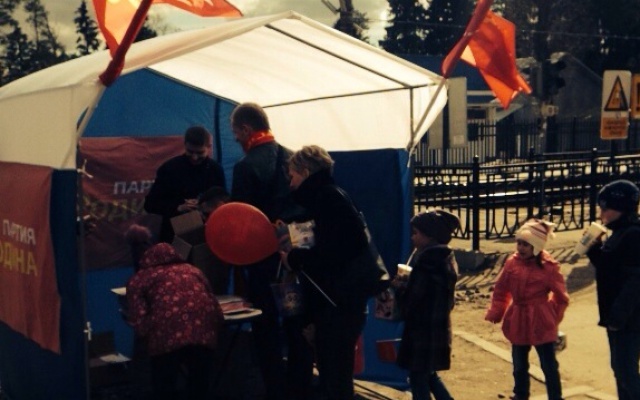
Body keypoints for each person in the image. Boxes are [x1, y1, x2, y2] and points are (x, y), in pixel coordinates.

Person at [229, 102, 306, 400]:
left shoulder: (245, 167)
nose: (235, 138)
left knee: (265, 327)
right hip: (296, 259)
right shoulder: (294, 158)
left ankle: (275, 390)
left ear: (246, 129)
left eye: (236, 133)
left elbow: (241, 221)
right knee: (296, 323)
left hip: (262, 262)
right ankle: (299, 390)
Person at [281, 145, 369, 400]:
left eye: (292, 176)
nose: (290, 184)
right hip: (340, 300)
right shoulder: (332, 195)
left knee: (335, 375)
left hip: (337, 302)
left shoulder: (328, 200)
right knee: (334, 373)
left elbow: (334, 252)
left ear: (305, 172)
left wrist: (294, 258)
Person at [126, 242, 223, 400]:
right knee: (199, 383)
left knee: (164, 384)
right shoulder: (193, 270)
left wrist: (146, 336)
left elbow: (139, 318)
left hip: (166, 335)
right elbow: (213, 303)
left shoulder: (140, 279)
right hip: (203, 332)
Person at [485, 218, 569, 400]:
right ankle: (521, 394)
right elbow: (501, 289)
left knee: (548, 364)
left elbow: (561, 297)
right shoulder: (512, 263)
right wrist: (497, 311)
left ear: (537, 247)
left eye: (526, 244)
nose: (521, 248)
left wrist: (552, 317)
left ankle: (555, 396)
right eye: (519, 243)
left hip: (540, 318)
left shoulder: (549, 267)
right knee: (519, 363)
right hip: (518, 317)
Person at [391, 210, 460, 400]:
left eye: (416, 233)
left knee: (418, 378)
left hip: (421, 331)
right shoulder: (447, 259)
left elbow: (412, 300)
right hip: (438, 328)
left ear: (430, 235)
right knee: (429, 375)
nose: (412, 237)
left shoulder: (426, 264)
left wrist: (399, 288)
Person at [585, 179, 640, 400]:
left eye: (605, 208)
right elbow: (609, 269)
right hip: (617, 316)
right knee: (620, 369)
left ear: (620, 208)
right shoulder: (619, 233)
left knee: (626, 371)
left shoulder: (633, 235)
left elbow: (635, 281)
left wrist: (618, 316)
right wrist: (593, 248)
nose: (601, 213)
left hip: (628, 318)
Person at [144, 126, 226, 243]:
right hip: (173, 236)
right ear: (184, 145)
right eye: (190, 152)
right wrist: (178, 207)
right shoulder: (169, 169)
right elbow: (150, 204)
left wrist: (206, 206)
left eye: (200, 152)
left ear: (209, 147)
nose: (194, 157)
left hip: (207, 235)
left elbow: (223, 203)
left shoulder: (216, 170)